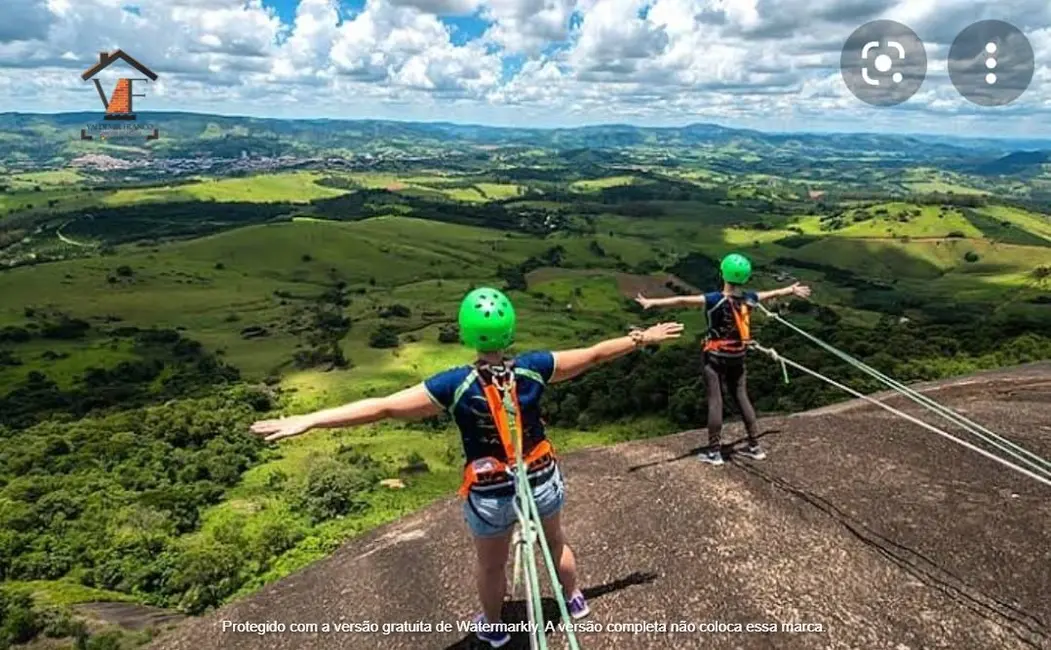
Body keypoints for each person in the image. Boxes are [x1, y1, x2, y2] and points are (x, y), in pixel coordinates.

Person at [250, 287, 684, 648]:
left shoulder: (453, 384)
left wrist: (309, 419)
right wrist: (642, 337)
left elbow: (383, 408)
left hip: (492, 493)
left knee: (491, 567)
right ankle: (573, 602)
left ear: (467, 334)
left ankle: (495, 629)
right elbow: (593, 355)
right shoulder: (534, 368)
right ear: (510, 329)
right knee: (554, 544)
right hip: (541, 478)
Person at [635, 253, 811, 465]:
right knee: (741, 397)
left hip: (715, 357)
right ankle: (755, 446)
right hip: (738, 356)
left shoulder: (714, 299)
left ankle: (714, 452)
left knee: (715, 401)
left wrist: (652, 303)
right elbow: (770, 294)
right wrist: (790, 290)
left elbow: (682, 300)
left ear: (723, 275)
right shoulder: (749, 298)